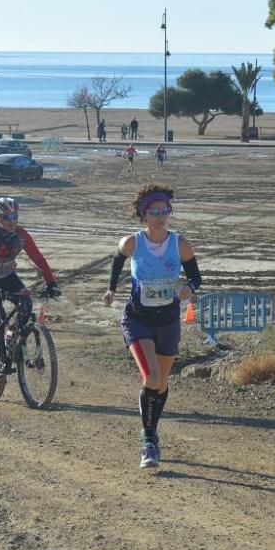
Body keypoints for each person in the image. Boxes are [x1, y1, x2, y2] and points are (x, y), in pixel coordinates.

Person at [102, 184, 203, 469]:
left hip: (169, 321)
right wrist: (111, 289)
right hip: (138, 319)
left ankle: (152, 430)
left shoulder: (179, 244)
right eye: (155, 211)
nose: (161, 216)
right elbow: (117, 259)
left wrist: (187, 289)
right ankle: (148, 441)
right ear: (144, 214)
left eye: (165, 211)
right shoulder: (133, 242)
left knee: (161, 383)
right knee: (152, 377)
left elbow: (196, 278)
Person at [0, 197, 61, 383]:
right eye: (8, 217)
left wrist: (51, 283)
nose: (13, 220)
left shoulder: (21, 235)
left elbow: (39, 259)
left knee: (26, 304)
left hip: (7, 276)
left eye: (15, 215)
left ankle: (12, 336)